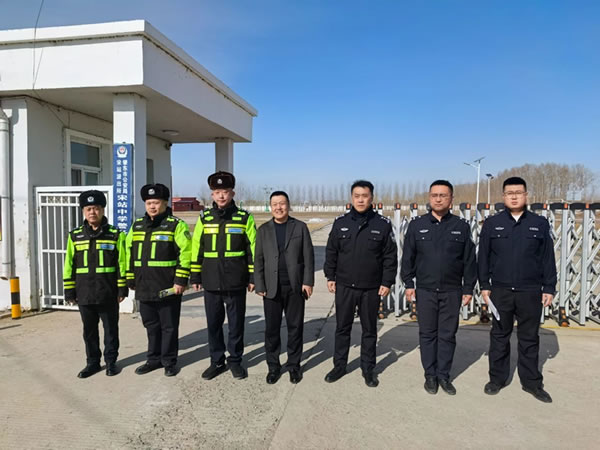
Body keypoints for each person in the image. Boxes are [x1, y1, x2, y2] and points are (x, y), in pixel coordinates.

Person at [478, 176, 557, 403]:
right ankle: (497, 379)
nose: (514, 197)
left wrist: (549, 287)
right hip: (500, 291)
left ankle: (532, 383)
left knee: (529, 338)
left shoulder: (539, 224)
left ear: (526, 195)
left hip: (530, 291)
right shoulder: (492, 224)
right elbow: (483, 257)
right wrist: (484, 285)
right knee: (499, 336)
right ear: (503, 196)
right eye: (510, 193)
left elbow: (547, 258)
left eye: (518, 192)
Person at [401, 180, 476, 395]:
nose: (438, 199)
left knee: (447, 335)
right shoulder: (417, 225)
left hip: (452, 291)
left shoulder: (461, 226)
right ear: (429, 198)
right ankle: (430, 375)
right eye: (435, 195)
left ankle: (444, 375)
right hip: (425, 290)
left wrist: (468, 288)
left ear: (451, 199)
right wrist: (409, 283)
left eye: (443, 195)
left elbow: (469, 261)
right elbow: (408, 257)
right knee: (427, 334)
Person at [323, 180, 397, 387]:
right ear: (351, 198)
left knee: (369, 330)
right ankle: (339, 366)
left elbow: (390, 256)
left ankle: (368, 369)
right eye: (357, 196)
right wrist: (330, 276)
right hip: (345, 286)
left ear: (371, 198)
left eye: (365, 196)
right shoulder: (340, 223)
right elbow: (331, 252)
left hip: (371, 288)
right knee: (342, 328)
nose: (361, 200)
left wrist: (387, 282)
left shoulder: (382, 224)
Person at [190, 171, 256, 380]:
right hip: (211, 281)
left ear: (232, 193)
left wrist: (253, 277)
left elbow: (252, 249)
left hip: (236, 281)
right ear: (212, 194)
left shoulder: (244, 218)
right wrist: (195, 275)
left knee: (236, 325)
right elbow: (197, 247)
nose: (221, 196)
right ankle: (217, 361)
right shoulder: (204, 218)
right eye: (217, 192)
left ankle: (235, 361)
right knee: (214, 325)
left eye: (225, 191)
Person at [126, 183, 191, 377]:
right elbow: (128, 252)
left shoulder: (176, 225)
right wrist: (130, 277)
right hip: (144, 286)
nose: (152, 206)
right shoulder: (137, 226)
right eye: (149, 203)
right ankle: (153, 359)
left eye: (156, 202)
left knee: (168, 326)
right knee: (151, 325)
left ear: (165, 203)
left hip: (167, 286)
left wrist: (180, 280)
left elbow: (186, 253)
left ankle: (169, 361)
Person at [63, 190, 128, 378]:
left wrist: (122, 289)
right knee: (89, 332)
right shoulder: (75, 236)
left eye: (96, 208)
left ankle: (111, 362)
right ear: (83, 211)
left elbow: (122, 263)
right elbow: (69, 265)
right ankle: (92, 363)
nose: (92, 212)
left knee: (111, 331)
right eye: (88, 208)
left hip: (108, 291)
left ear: (103, 210)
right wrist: (69, 291)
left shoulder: (115, 235)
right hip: (84, 292)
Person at [254, 191, 315, 384]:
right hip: (271, 288)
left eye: (282, 203)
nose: (278, 207)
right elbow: (258, 259)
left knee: (295, 328)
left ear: (288, 205)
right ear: (270, 207)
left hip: (295, 287)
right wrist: (259, 284)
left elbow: (308, 256)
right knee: (272, 329)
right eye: (275, 204)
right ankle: (273, 366)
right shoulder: (263, 230)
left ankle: (294, 366)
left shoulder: (300, 227)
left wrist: (308, 281)